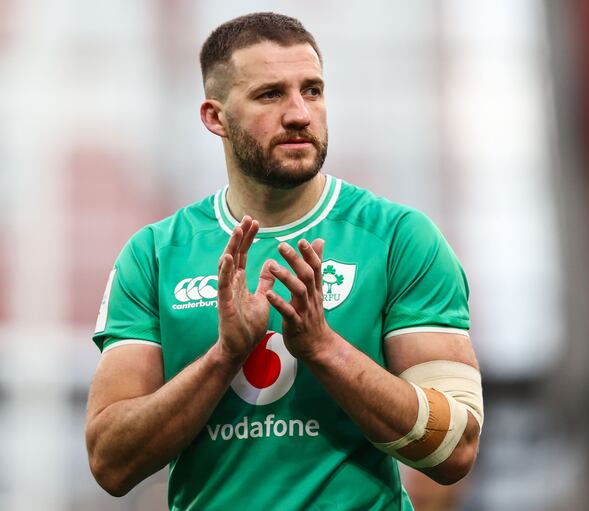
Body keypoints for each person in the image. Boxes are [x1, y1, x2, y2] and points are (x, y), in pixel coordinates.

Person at [85, 12, 483, 511]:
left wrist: (323, 349)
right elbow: (110, 463)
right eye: (270, 94)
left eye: (312, 90)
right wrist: (223, 357)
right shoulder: (154, 255)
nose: (299, 113)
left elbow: (456, 447)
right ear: (215, 117)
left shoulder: (400, 239)